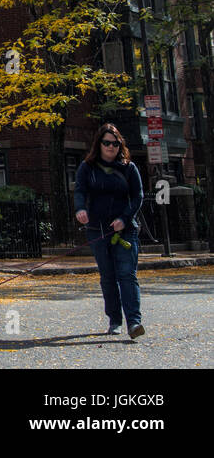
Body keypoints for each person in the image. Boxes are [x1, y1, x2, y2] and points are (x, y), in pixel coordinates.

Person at [74, 122, 145, 338]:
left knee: (127, 274)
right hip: (97, 230)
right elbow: (79, 191)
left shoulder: (129, 168)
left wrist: (125, 218)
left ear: (119, 145)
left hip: (124, 230)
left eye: (115, 143)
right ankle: (114, 320)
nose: (111, 147)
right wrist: (80, 210)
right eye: (107, 143)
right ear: (99, 144)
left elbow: (138, 196)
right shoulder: (87, 167)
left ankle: (134, 323)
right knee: (108, 276)